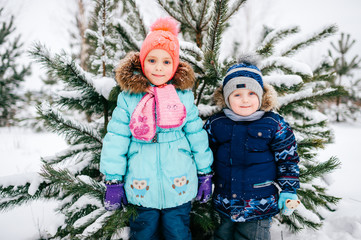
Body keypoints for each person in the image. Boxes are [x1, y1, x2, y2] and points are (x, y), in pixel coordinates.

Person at [99, 17, 213, 240]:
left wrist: (204, 173)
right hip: (141, 184)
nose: (159, 67)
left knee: (178, 233)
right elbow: (116, 139)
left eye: (166, 61)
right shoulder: (129, 98)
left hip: (179, 181)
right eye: (152, 60)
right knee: (143, 233)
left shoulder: (183, 97)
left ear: (175, 65)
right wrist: (113, 180)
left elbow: (196, 136)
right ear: (142, 62)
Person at [203, 59, 300, 240]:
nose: (245, 99)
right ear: (226, 98)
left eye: (251, 93)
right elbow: (205, 154)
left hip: (259, 204)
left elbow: (288, 159)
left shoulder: (274, 124)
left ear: (261, 96)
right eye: (237, 94)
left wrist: (288, 189)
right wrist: (203, 178)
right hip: (224, 202)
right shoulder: (216, 123)